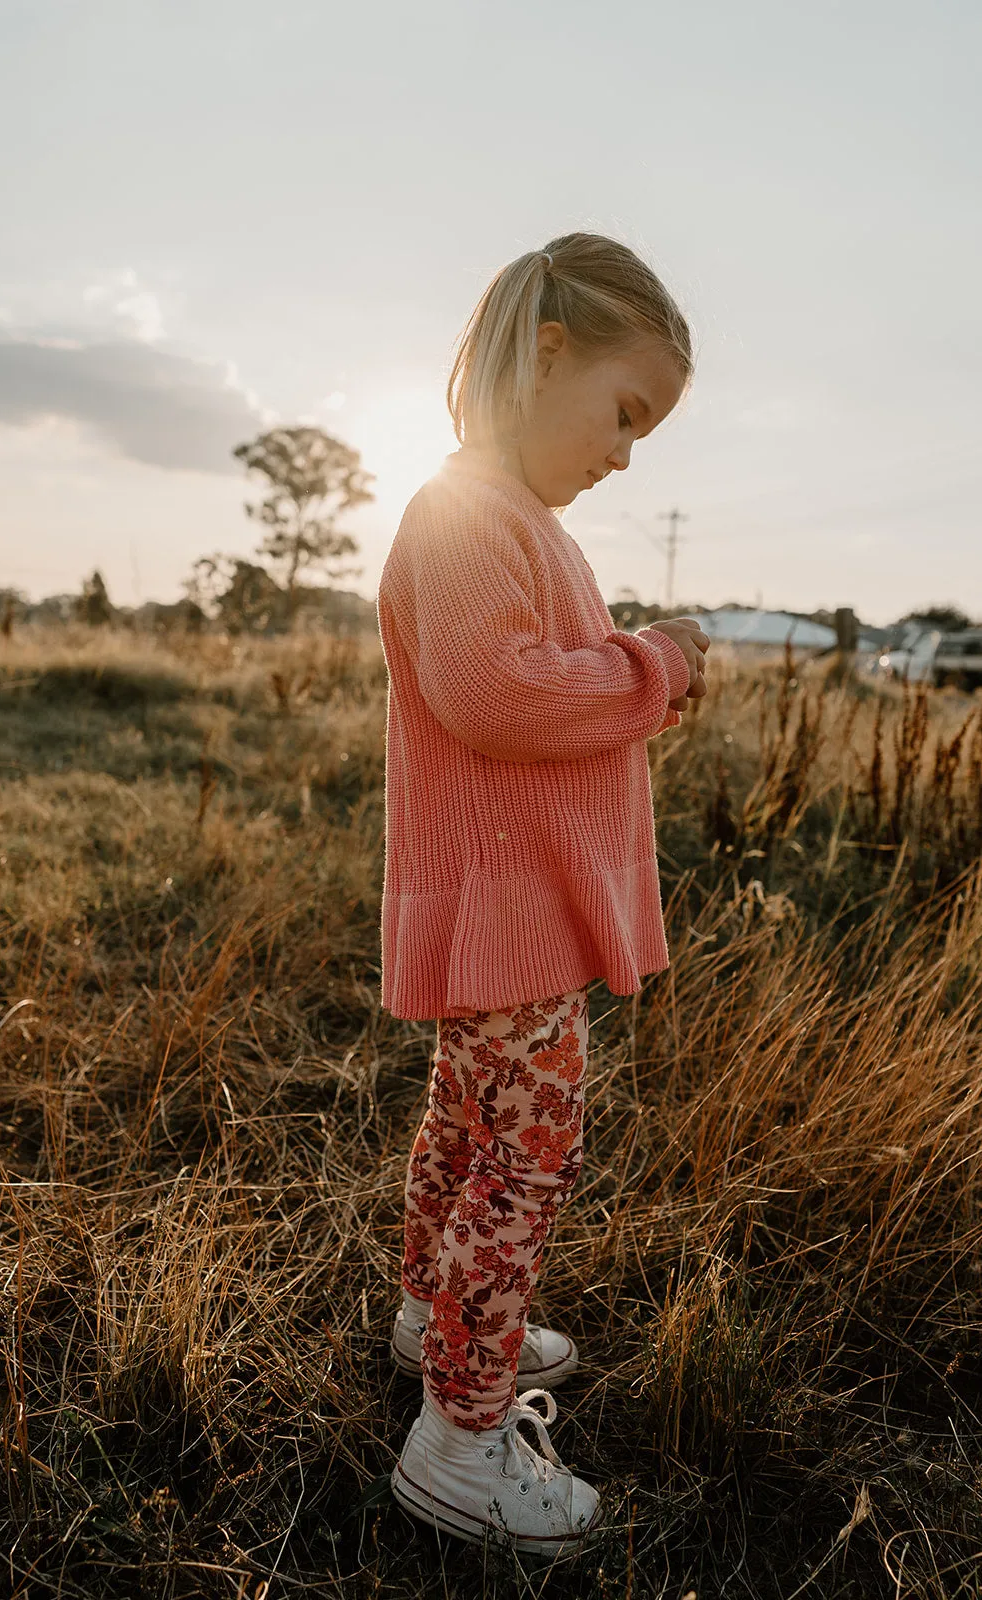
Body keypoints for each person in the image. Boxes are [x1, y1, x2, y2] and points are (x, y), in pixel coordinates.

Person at [376, 231, 709, 1561]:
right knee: (523, 1161)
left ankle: (432, 1317)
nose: (627, 452)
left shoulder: (517, 524)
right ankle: (460, 1438)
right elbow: (501, 694)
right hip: (503, 916)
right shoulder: (462, 518)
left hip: (518, 911)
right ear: (545, 353)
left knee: (467, 1137)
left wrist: (630, 655)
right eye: (624, 412)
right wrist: (657, 667)